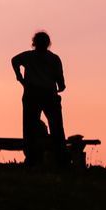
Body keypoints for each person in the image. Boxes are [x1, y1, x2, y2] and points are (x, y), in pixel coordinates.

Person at [11, 30, 68, 167]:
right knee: (56, 127)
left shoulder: (29, 56)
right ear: (48, 44)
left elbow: (14, 60)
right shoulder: (54, 59)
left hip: (32, 94)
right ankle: (60, 159)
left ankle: (31, 158)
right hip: (49, 94)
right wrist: (60, 86)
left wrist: (20, 78)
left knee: (29, 127)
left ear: (34, 43)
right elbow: (60, 80)